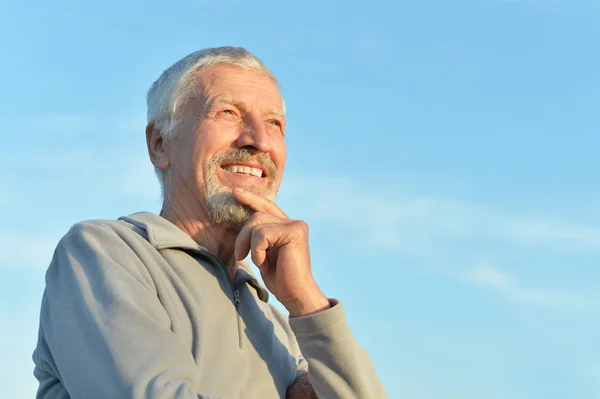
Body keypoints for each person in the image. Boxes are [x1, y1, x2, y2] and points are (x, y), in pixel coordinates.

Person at [32, 46, 387, 399]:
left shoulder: (283, 328)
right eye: (228, 112)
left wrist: (305, 300)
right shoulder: (105, 254)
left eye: (274, 123)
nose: (259, 140)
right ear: (159, 144)